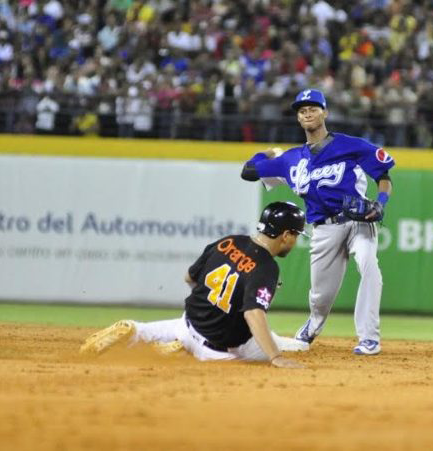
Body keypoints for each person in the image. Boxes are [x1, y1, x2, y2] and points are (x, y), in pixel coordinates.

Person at [240, 89, 395, 355]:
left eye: (313, 108)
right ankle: (312, 325)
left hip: (358, 221)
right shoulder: (290, 159)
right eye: (302, 110)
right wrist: (265, 154)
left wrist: (380, 202)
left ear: (325, 112)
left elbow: (384, 175)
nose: (308, 113)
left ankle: (369, 337)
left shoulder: (350, 145)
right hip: (324, 228)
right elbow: (248, 172)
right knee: (321, 297)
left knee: (369, 266)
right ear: (298, 119)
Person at [79, 202, 310, 369]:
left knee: (154, 331)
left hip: (188, 323)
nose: (295, 240)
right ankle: (184, 354)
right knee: (276, 345)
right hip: (219, 350)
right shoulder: (266, 267)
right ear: (286, 235)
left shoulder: (228, 241)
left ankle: (139, 331)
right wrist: (275, 357)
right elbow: (253, 313)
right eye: (296, 234)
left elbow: (189, 277)